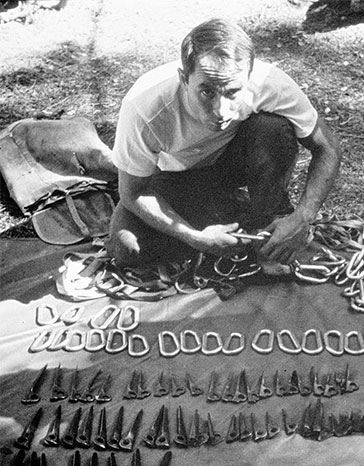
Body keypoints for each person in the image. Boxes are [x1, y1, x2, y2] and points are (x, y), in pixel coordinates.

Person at [107, 17, 342, 274]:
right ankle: (234, 218)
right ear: (184, 78)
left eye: (232, 92)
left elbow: (327, 147)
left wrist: (302, 218)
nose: (220, 110)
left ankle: (268, 221)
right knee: (125, 248)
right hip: (172, 178)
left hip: (230, 163)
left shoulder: (271, 83)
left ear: (249, 77)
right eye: (207, 92)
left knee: (272, 129)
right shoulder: (144, 107)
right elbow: (133, 192)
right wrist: (193, 237)